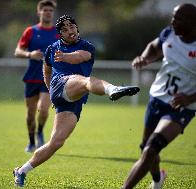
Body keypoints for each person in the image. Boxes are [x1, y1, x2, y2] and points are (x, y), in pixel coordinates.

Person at [13, 14, 140, 187]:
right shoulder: (52, 48)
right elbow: (47, 71)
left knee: (56, 143)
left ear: (77, 28)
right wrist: (51, 91)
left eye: (72, 27)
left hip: (74, 99)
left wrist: (66, 57)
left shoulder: (87, 46)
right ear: (60, 34)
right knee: (87, 81)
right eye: (65, 30)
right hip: (61, 86)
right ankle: (113, 89)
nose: (70, 31)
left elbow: (80, 56)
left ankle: (21, 171)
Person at [122, 3, 196, 189]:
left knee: (152, 148)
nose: (173, 21)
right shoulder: (169, 33)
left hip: (181, 107)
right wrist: (145, 58)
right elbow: (154, 47)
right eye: (173, 16)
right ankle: (157, 180)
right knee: (145, 149)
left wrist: (188, 98)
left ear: (192, 22)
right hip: (157, 98)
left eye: (178, 18)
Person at [14, 0, 59, 152]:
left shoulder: (58, 33)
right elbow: (17, 51)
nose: (48, 12)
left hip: (49, 78)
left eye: (50, 10)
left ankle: (40, 131)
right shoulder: (30, 31)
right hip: (32, 77)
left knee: (44, 109)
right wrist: (30, 54)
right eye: (45, 10)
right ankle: (31, 141)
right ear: (39, 12)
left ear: (53, 13)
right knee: (30, 114)